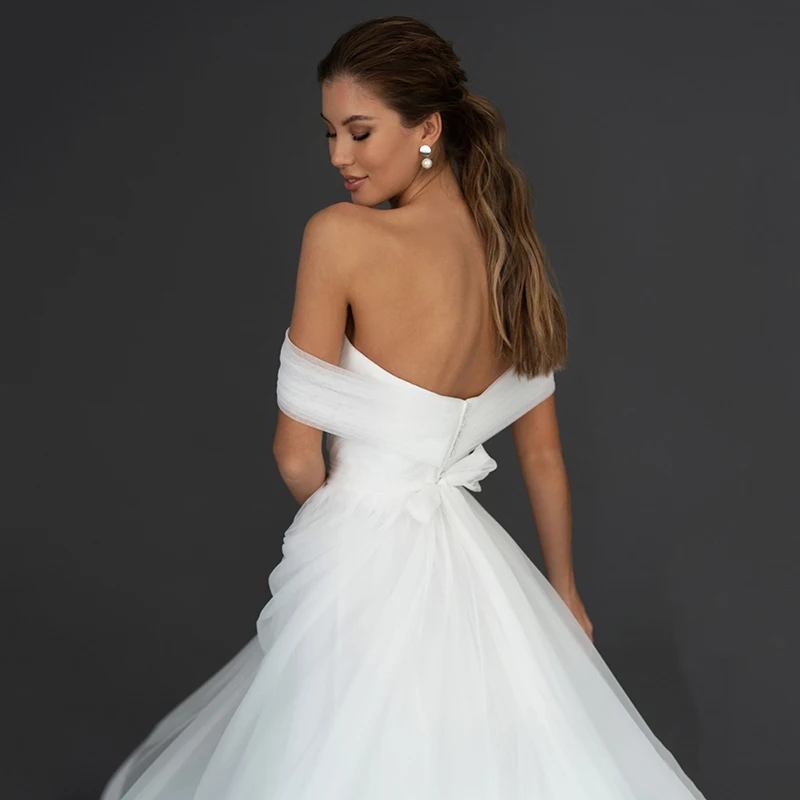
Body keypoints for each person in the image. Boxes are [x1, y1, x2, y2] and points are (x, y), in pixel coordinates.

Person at [100, 15, 709, 800]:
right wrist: (563, 593)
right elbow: (542, 456)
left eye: (360, 132)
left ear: (428, 128)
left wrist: (348, 542)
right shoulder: (510, 255)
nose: (338, 157)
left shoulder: (339, 237)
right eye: (329, 134)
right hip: (476, 567)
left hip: (362, 546)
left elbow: (295, 453)